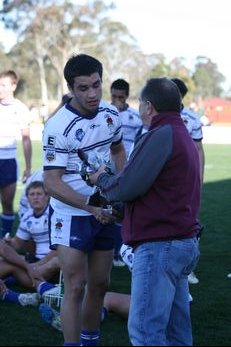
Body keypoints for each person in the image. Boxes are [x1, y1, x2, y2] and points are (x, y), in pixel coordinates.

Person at [89, 77, 201, 346]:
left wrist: (100, 180)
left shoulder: (160, 134)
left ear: (148, 106)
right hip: (180, 240)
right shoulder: (180, 131)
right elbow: (156, 193)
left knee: (145, 332)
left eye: (140, 103)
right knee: (176, 334)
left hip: (160, 244)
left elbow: (127, 186)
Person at [42, 53, 127, 346]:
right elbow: (51, 182)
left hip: (103, 209)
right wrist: (89, 206)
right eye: (83, 88)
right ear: (70, 88)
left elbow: (117, 152)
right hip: (70, 215)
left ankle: (90, 341)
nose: (92, 93)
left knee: (100, 284)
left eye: (96, 85)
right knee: (75, 286)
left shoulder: (111, 115)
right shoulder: (57, 126)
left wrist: (121, 188)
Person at [171, 78, 205, 285]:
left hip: (186, 182)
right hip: (166, 183)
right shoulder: (156, 114)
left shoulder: (192, 119)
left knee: (190, 224)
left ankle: (188, 269)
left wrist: (199, 180)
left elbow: (199, 150)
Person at [110, 79, 142, 267]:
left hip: (128, 171)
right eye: (114, 96)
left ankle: (121, 252)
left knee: (125, 211)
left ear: (127, 97)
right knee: (106, 210)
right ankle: (110, 252)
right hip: (106, 170)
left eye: (120, 97)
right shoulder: (103, 113)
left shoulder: (135, 117)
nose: (117, 100)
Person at [0, 70, 32, 238]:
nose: (0, 88)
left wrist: (28, 167)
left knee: (6, 203)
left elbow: (26, 139)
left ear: (13, 86)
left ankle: (4, 239)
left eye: (4, 85)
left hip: (8, 162)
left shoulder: (21, 109)